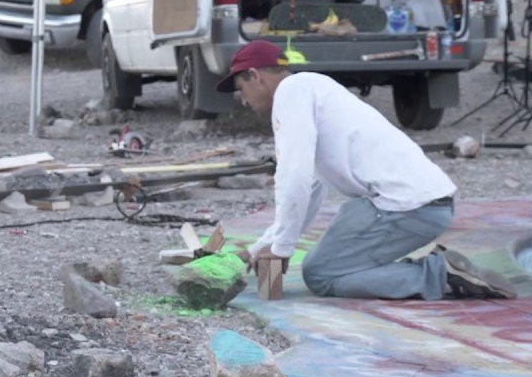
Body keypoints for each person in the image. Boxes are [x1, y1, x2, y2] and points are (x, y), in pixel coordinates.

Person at [219, 40, 516, 300]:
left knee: (321, 275)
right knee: (328, 262)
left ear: (255, 76)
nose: (243, 100)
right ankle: (440, 271)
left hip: (405, 208)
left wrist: (281, 248)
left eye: (241, 89)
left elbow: (292, 177)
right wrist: (263, 247)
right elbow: (310, 188)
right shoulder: (314, 87)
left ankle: (439, 275)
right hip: (421, 205)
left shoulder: (290, 93)